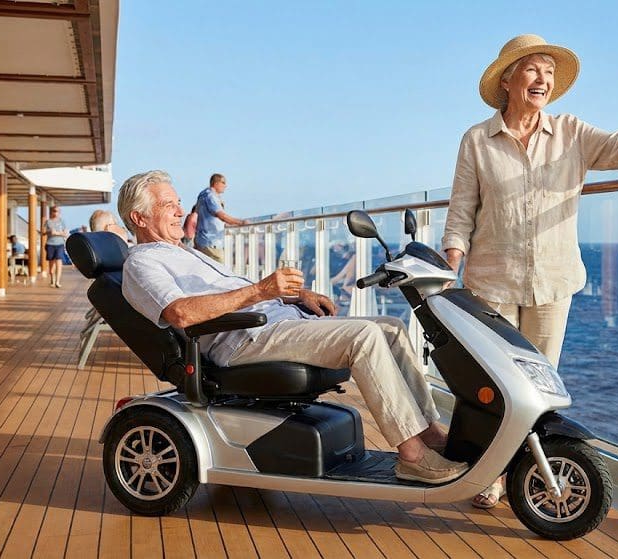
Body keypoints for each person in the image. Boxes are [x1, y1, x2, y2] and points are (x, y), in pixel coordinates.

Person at [442, 34, 618, 508]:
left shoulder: (572, 132)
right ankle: (488, 476)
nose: (543, 79)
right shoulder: (476, 140)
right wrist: (448, 267)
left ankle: (521, 473)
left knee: (539, 387)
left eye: (549, 72)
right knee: (493, 386)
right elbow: (461, 212)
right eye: (533, 69)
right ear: (509, 80)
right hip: (490, 283)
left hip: (553, 283)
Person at [118, 170, 466, 484]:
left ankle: (431, 432)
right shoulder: (143, 263)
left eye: (178, 203)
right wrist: (261, 291)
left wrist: (295, 296)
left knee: (390, 327)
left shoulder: (184, 251)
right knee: (364, 336)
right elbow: (180, 313)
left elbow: (237, 294)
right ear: (139, 217)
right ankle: (413, 456)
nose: (182, 211)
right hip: (246, 340)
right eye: (169, 205)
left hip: (273, 324)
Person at [194, 173, 248, 262]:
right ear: (216, 183)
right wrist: (241, 222)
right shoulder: (211, 196)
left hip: (202, 241)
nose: (225, 186)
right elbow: (221, 215)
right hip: (211, 243)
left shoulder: (202, 195)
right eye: (223, 182)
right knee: (218, 271)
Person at [43, 206, 68, 287]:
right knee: (51, 264)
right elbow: (42, 232)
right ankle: (52, 280)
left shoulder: (62, 222)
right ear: (51, 212)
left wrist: (57, 233)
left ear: (59, 212)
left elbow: (65, 233)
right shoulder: (48, 222)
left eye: (58, 211)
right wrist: (50, 231)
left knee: (59, 262)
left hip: (59, 244)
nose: (56, 212)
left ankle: (57, 281)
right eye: (54, 211)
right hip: (50, 244)